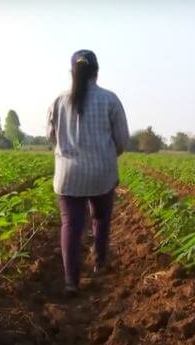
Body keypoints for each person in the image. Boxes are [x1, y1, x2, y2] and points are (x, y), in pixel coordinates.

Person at [47, 49, 129, 295]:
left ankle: (71, 281)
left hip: (68, 175)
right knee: (100, 219)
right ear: (97, 73)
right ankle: (99, 263)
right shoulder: (110, 100)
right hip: (101, 173)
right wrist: (105, 155)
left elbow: (51, 137)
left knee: (71, 225)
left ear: (72, 72)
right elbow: (122, 140)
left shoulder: (59, 101)